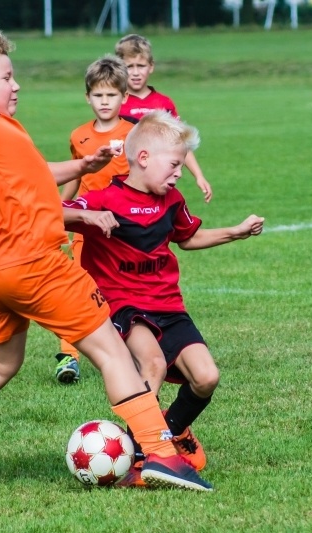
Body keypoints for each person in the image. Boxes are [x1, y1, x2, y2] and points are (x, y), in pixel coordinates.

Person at [0, 29, 212, 492]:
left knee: (0, 365)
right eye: (6, 77)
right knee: (112, 350)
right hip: (35, 264)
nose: (16, 84)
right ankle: (161, 453)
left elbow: (32, 174)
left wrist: (82, 166)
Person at [63, 110, 264, 488]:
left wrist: (235, 232)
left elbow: (188, 238)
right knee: (152, 363)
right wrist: (87, 219)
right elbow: (48, 214)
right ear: (143, 158)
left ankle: (173, 430)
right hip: (122, 304)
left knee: (206, 377)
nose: (179, 173)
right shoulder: (105, 199)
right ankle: (140, 458)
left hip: (168, 305)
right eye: (174, 164)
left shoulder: (171, 200)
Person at [52, 55, 136, 385]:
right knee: (77, 290)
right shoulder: (79, 136)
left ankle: (130, 349)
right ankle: (68, 356)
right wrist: (61, 209)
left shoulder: (134, 134)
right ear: (87, 97)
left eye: (111, 95)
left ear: (124, 96)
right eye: (98, 95)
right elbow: (77, 174)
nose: (104, 101)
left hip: (123, 228)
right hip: (86, 227)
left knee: (125, 289)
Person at [114, 33, 213, 204]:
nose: (135, 72)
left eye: (141, 66)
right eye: (129, 66)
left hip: (156, 183)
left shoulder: (163, 103)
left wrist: (199, 175)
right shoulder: (115, 102)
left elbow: (180, 142)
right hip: (123, 183)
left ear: (151, 66)